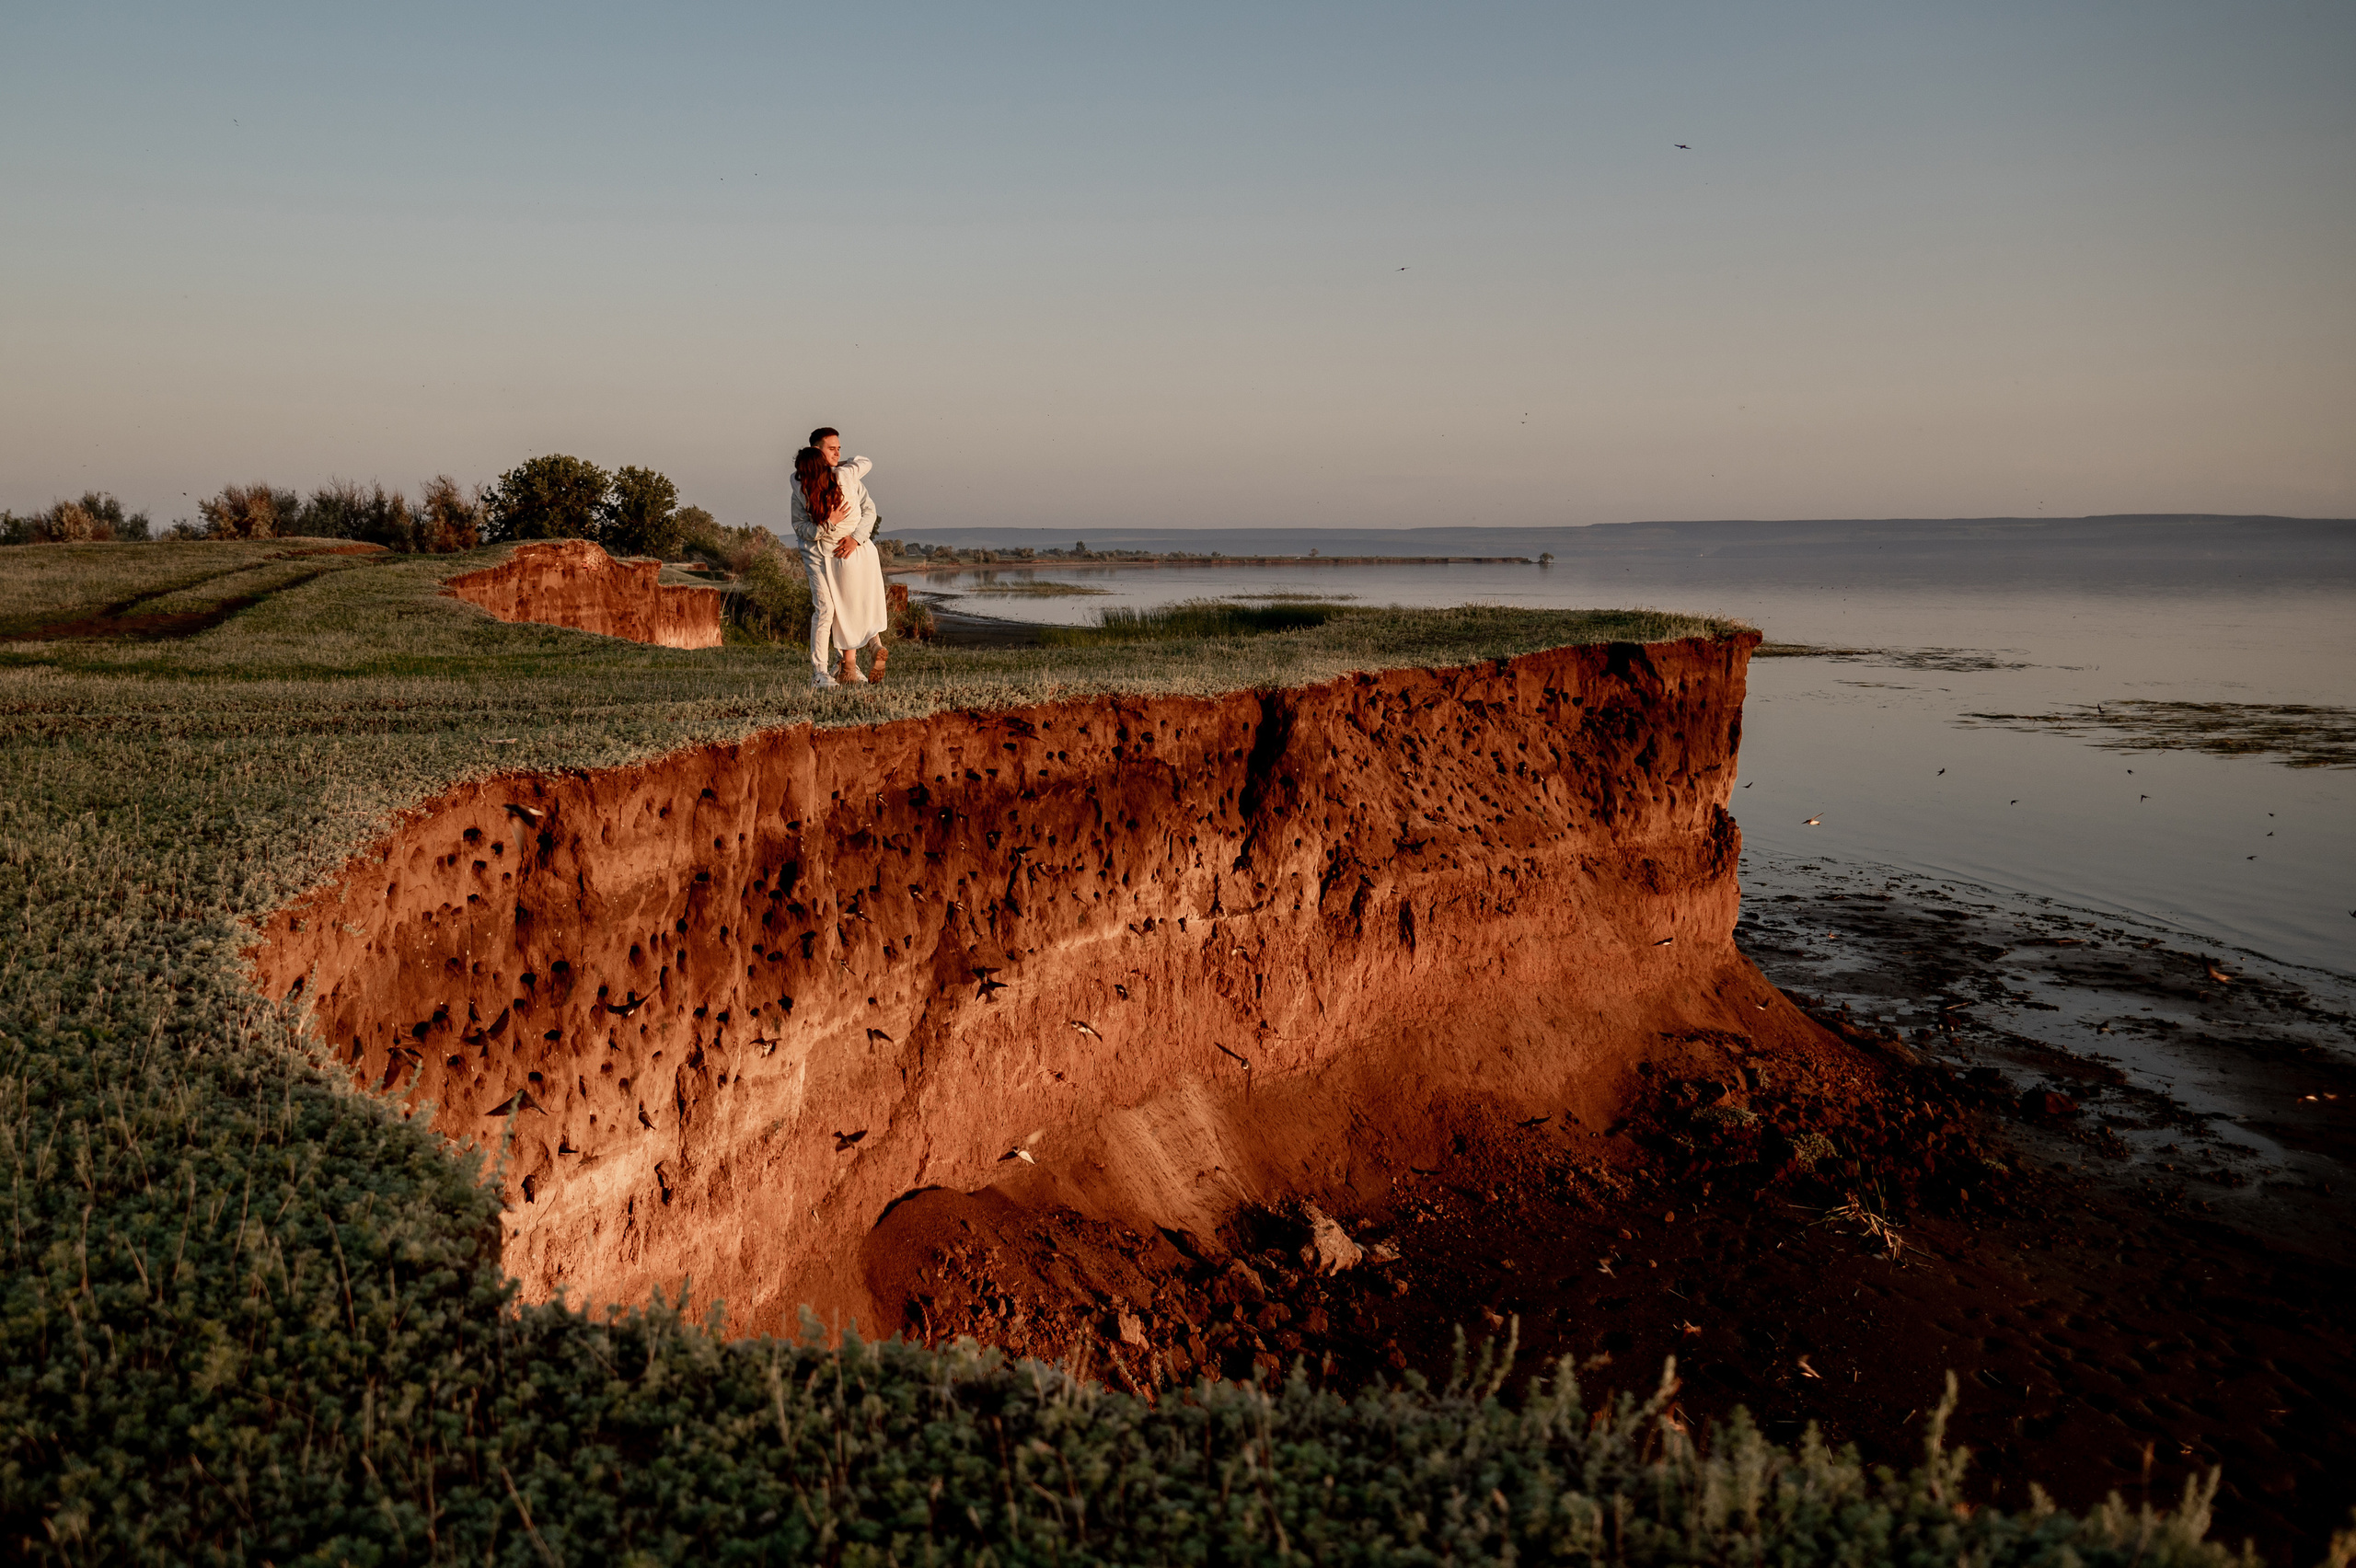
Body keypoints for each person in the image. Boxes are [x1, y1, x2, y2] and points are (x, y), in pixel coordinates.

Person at [789, 427, 890, 687]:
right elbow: (801, 528)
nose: (838, 452)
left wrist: (856, 537)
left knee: (842, 608)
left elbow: (869, 510)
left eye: (839, 449)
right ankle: (826, 671)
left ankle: (846, 666)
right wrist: (828, 525)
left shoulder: (845, 476)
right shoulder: (803, 486)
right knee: (830, 609)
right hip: (820, 556)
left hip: (847, 549)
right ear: (817, 451)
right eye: (832, 449)